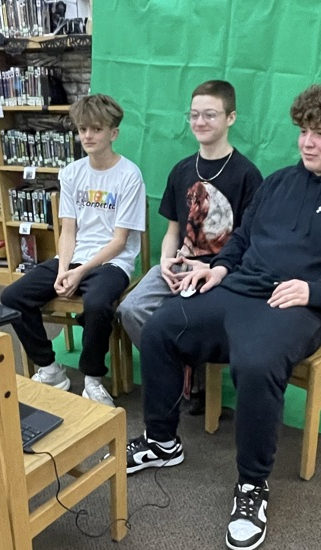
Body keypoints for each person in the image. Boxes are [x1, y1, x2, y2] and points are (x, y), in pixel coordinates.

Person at [126, 84, 321, 550]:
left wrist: (317, 290)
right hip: (240, 288)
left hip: (301, 305)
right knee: (161, 327)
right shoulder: (278, 182)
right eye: (302, 132)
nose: (307, 142)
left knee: (255, 364)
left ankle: (253, 486)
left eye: (320, 133)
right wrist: (219, 268)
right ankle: (162, 440)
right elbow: (243, 238)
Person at [117, 80, 262, 413]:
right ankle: (177, 367)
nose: (200, 122)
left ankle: (188, 374)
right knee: (130, 310)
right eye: (194, 115)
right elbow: (172, 230)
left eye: (210, 115)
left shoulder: (247, 176)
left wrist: (214, 268)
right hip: (179, 265)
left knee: (183, 319)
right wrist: (166, 262)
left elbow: (249, 243)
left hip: (219, 274)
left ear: (231, 118)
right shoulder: (181, 170)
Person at [1, 94, 147, 406]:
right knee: (12, 297)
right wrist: (65, 268)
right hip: (73, 258)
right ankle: (50, 368)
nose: (88, 136)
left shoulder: (129, 175)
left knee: (96, 304)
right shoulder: (71, 173)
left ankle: (93, 379)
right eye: (83, 129)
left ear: (113, 133)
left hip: (112, 263)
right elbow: (68, 229)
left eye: (96, 129)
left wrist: (80, 272)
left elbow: (120, 241)